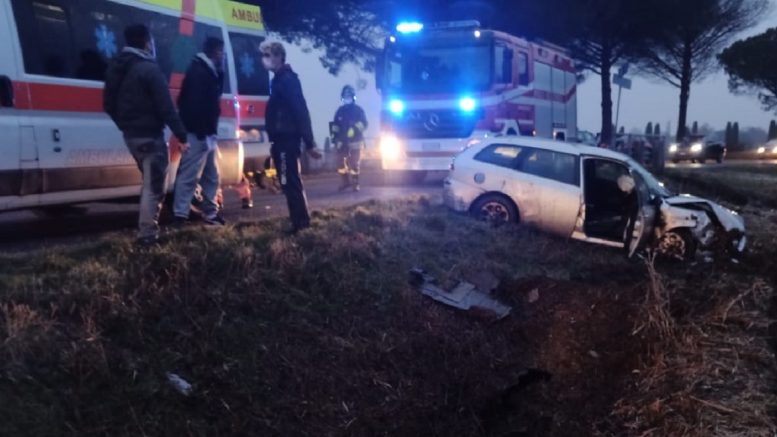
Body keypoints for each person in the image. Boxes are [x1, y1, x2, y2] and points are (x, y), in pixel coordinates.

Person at [103, 24, 188, 245]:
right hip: (151, 136)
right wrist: (182, 134)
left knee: (149, 183)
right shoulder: (149, 69)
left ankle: (146, 231)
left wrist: (125, 125)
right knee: (154, 187)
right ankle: (147, 235)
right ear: (147, 42)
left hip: (131, 137)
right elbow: (166, 107)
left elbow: (108, 104)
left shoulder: (117, 67)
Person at [261, 41, 322, 234]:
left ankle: (301, 224)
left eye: (268, 55)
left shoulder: (287, 80)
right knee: (287, 182)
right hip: (281, 140)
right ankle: (299, 222)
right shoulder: (279, 81)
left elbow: (300, 110)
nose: (264, 60)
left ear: (278, 57)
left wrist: (309, 142)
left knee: (290, 182)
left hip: (287, 140)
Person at [172, 37, 227, 227]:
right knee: (189, 175)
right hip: (199, 133)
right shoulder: (200, 72)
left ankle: (211, 213)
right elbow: (192, 105)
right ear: (215, 52)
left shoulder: (207, 71)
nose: (223, 56)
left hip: (206, 133)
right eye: (221, 52)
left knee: (212, 175)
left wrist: (221, 73)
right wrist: (202, 130)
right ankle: (180, 215)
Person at [331, 85, 368, 191]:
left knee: (354, 163)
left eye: (349, 96)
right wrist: (334, 138)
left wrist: (354, 129)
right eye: (345, 97)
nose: (347, 99)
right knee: (339, 162)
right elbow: (335, 125)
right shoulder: (340, 111)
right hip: (342, 141)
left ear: (353, 97)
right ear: (342, 98)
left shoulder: (358, 110)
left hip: (355, 142)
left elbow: (364, 123)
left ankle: (355, 183)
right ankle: (345, 182)